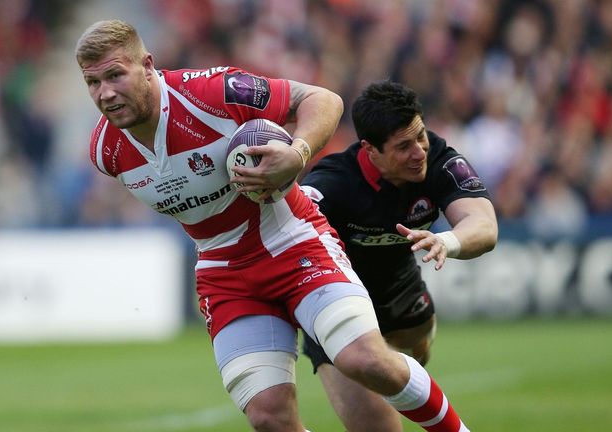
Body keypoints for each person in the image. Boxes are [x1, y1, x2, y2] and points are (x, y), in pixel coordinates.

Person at [76, 20, 471, 432]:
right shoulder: (105, 151)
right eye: (92, 82)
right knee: (268, 416)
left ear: (147, 66)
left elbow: (322, 99)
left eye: (115, 75)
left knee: (365, 360)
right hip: (225, 274)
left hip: (293, 242)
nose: (105, 93)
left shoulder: (212, 93)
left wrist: (297, 154)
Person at [300, 80, 498, 431]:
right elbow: (290, 233)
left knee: (417, 355)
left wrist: (447, 241)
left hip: (403, 296)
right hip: (336, 304)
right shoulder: (333, 183)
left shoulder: (439, 158)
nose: (419, 152)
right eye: (404, 146)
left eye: (420, 136)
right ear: (370, 150)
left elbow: (483, 225)